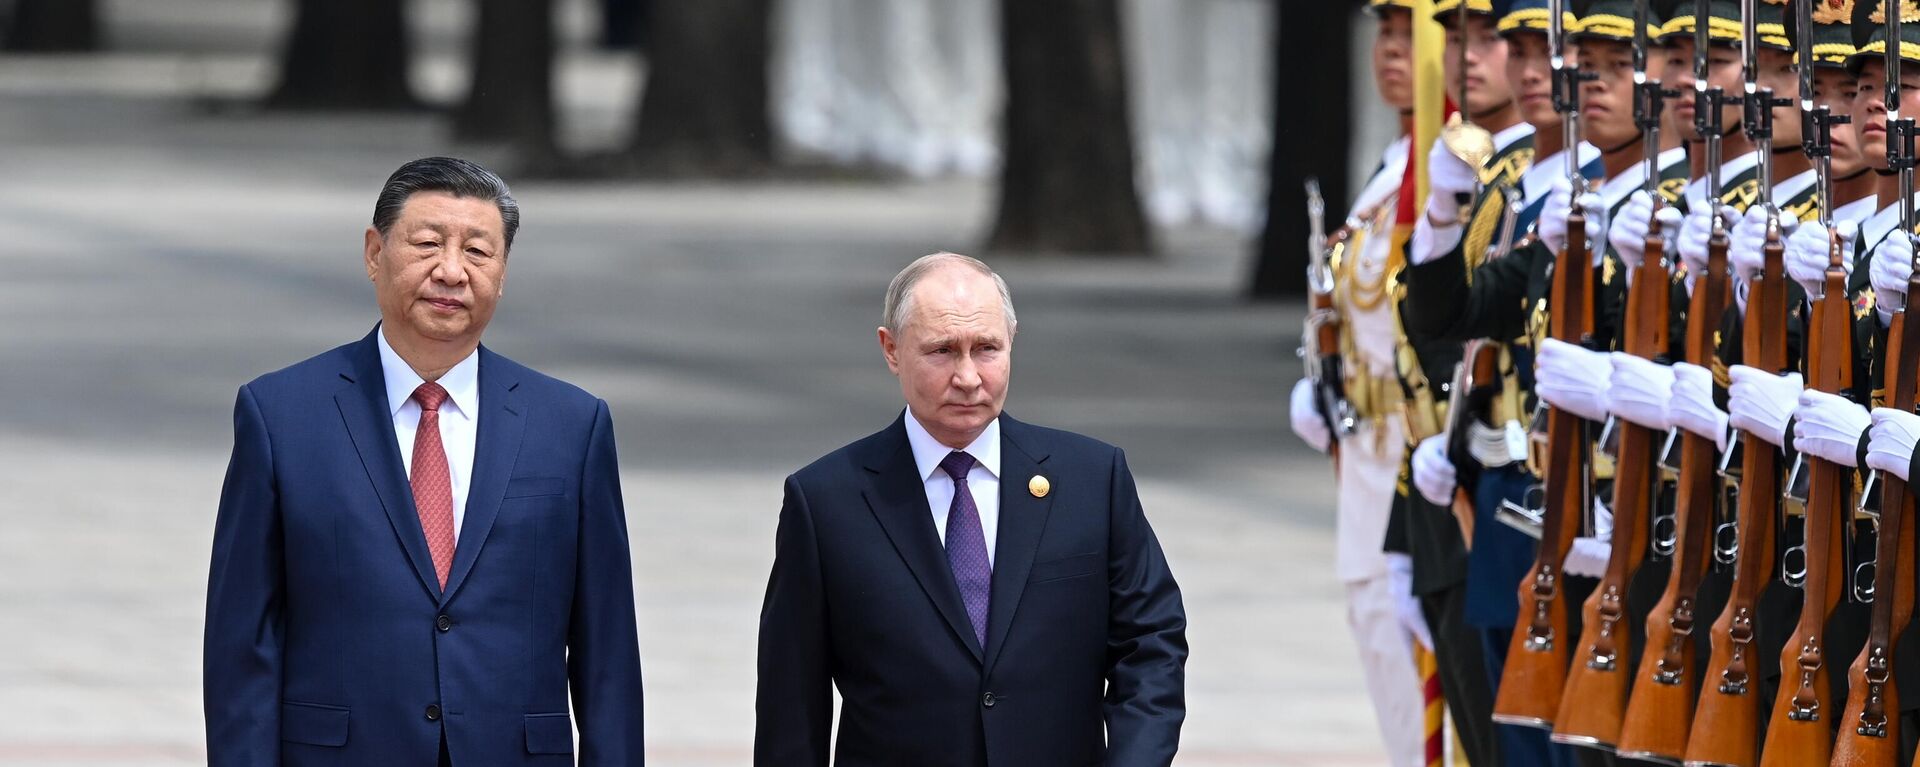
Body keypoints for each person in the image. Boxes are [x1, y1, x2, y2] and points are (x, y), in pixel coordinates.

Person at [202, 157, 646, 766]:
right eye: (428, 243)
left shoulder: (571, 424)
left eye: (478, 252)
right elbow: (242, 643)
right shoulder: (280, 414)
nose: (451, 270)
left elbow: (607, 653)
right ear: (373, 253)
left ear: (503, 272)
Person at [754, 252, 1187, 766]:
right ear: (891, 350)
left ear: (1012, 341)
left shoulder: (1092, 479)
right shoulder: (825, 502)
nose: (967, 376)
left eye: (986, 349)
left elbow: (1151, 642)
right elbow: (791, 707)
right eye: (941, 351)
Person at [1287, 2, 1460, 764]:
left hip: (1410, 460)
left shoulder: (1447, 164)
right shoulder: (1394, 164)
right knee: (1385, 661)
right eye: (1384, 34)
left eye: (1409, 33)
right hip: (1365, 456)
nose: (1393, 50)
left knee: (1426, 694)